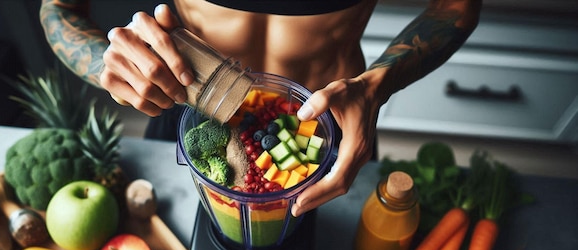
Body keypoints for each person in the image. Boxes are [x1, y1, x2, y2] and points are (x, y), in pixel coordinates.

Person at [39, 0, 481, 217]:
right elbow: (60, 7)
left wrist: (376, 85)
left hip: (325, 135)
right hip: (199, 124)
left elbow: (457, 5)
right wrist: (106, 64)